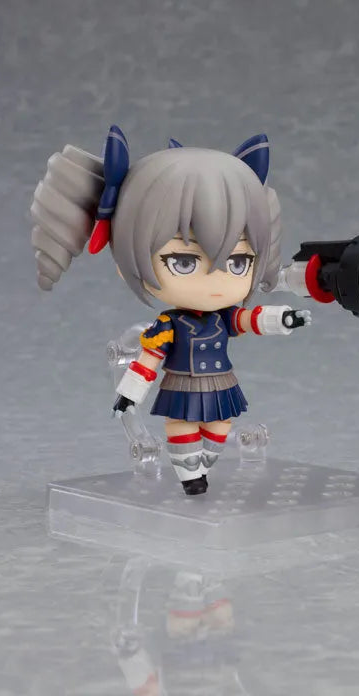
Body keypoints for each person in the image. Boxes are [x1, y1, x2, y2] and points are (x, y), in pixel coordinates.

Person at [31, 127, 310, 495]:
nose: (216, 279)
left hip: (221, 382)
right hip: (181, 382)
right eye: (183, 261)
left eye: (239, 261)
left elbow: (247, 319)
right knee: (181, 425)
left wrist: (283, 318)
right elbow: (147, 361)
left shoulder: (223, 317)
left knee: (221, 425)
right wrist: (130, 394)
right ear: (125, 260)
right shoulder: (168, 325)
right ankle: (190, 474)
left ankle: (204, 461)